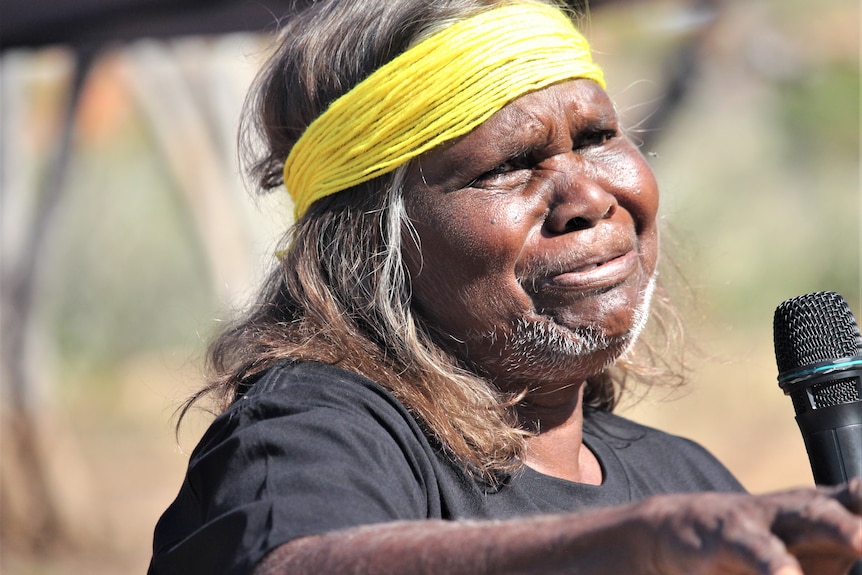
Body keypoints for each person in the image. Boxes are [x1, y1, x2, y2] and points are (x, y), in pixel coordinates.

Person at [148, 1, 862, 573]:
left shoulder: (686, 480)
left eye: (596, 137)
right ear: (373, 243)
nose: (586, 194)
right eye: (507, 165)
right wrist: (635, 546)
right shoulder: (315, 434)